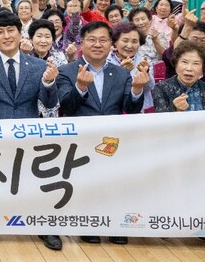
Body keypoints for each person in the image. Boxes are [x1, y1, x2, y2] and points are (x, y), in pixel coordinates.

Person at [0, 12, 60, 251]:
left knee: (35, 180)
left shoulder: (38, 65)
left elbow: (48, 103)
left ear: (19, 33)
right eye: (0, 32)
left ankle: (45, 226)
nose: (6, 36)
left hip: (29, 133)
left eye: (10, 30)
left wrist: (49, 83)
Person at [56, 21, 149, 245]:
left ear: (111, 45)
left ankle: (116, 225)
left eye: (103, 40)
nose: (97, 45)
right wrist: (80, 87)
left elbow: (131, 108)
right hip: (80, 140)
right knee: (86, 183)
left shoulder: (121, 73)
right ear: (82, 43)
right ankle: (90, 224)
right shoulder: (67, 71)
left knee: (114, 182)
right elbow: (66, 107)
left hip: (111, 140)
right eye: (92, 40)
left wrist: (137, 89)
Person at [152, 41, 205, 113]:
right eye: (184, 62)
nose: (189, 68)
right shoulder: (161, 88)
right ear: (176, 64)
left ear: (203, 69)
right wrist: (175, 109)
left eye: (196, 63)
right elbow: (160, 118)